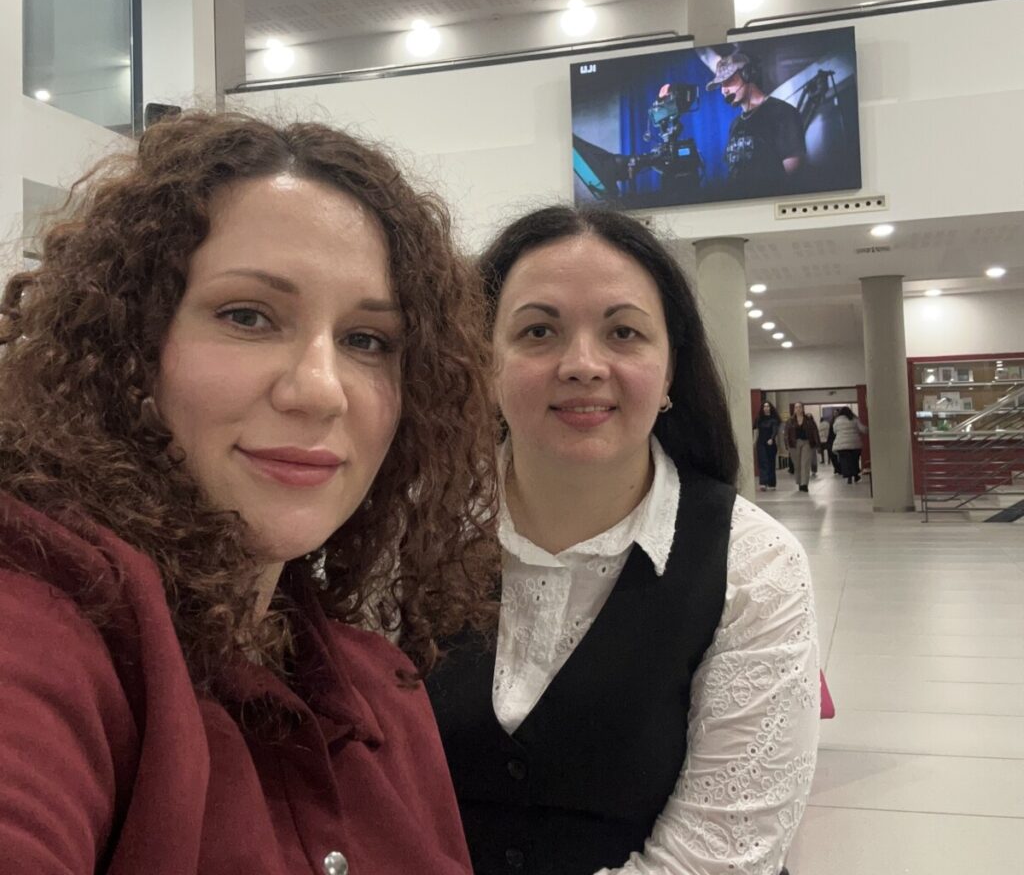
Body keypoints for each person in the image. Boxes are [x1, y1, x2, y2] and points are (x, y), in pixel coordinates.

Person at [0, 111, 501, 874]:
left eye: (367, 340)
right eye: (248, 316)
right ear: (133, 349)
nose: (320, 390)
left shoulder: (383, 691)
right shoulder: (43, 621)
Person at [426, 206, 820, 875]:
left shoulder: (753, 567)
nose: (583, 365)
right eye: (539, 330)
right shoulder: (409, 536)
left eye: (624, 332)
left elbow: (717, 858)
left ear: (669, 373)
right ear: (485, 361)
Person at [706, 51, 806, 193]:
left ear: (748, 75)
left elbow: (794, 176)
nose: (723, 90)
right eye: (721, 84)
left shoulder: (782, 113)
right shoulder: (735, 125)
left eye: (729, 80)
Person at [785, 401, 821, 492]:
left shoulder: (808, 420)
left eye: (800, 407)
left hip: (807, 442)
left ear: (803, 408)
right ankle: (799, 481)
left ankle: (804, 484)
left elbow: (815, 431)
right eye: (796, 407)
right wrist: (787, 445)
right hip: (794, 444)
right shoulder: (790, 421)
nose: (798, 409)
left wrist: (817, 444)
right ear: (794, 409)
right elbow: (786, 434)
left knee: (805, 463)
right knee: (797, 464)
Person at [832, 405, 868, 484]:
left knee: (845, 461)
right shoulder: (854, 419)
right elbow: (862, 429)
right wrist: (869, 430)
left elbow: (834, 431)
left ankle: (849, 476)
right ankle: (855, 475)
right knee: (854, 460)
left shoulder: (837, 420)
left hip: (841, 445)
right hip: (855, 444)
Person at [753, 399, 781, 490]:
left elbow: (775, 430)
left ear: (770, 408)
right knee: (763, 462)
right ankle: (763, 483)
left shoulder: (774, 419)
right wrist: (754, 441)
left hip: (770, 443)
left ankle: (772, 483)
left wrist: (772, 438)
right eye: (764, 406)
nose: (766, 408)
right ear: (762, 408)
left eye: (767, 406)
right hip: (761, 443)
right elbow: (755, 430)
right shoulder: (759, 419)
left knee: (771, 463)